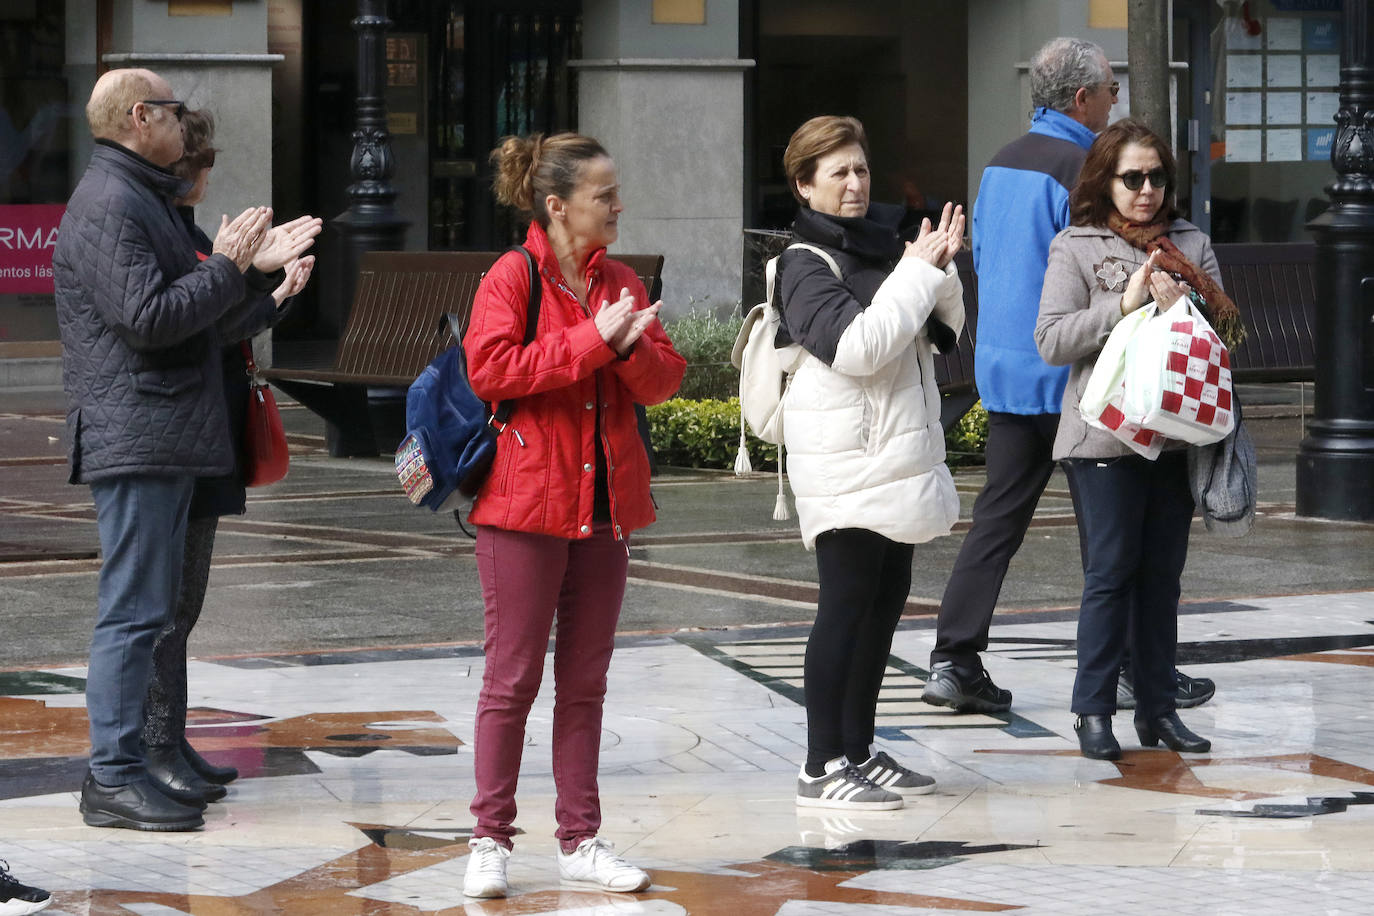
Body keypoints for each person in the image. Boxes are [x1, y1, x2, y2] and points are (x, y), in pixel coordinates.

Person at [921, 37, 1214, 714]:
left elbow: (989, 259)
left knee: (998, 518)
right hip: (1082, 373)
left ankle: (954, 659)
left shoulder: (999, 164)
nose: (1116, 104)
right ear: (1082, 98)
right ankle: (1136, 669)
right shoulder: (1088, 166)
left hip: (1004, 366)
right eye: (1112, 93)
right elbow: (1110, 259)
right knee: (1114, 531)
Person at [52, 68, 310, 831]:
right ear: (140, 117)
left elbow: (192, 320)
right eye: (173, 110)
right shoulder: (110, 202)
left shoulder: (140, 197)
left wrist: (257, 283)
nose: (183, 121)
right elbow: (148, 319)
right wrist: (231, 266)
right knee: (133, 614)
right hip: (138, 435)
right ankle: (114, 775)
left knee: (155, 609)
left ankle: (135, 762)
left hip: (162, 432)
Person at [459, 132, 685, 899]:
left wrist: (624, 347)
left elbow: (664, 382)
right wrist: (593, 340)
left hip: (603, 512)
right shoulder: (511, 276)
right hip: (522, 509)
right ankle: (489, 838)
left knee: (584, 682)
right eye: (604, 195)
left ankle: (579, 839)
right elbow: (490, 370)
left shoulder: (618, 279)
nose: (619, 206)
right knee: (511, 679)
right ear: (557, 205)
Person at [775, 116, 964, 811]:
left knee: (881, 611)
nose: (856, 184)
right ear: (804, 185)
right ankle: (821, 766)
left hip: (894, 455)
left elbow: (940, 336)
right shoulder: (803, 264)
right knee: (844, 609)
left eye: (861, 169)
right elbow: (859, 348)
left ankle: (859, 750)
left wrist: (937, 270)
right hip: (843, 460)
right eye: (839, 173)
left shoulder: (880, 247)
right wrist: (917, 271)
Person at [1034, 118, 1230, 760]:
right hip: (1103, 442)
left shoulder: (1189, 243)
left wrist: (1183, 307)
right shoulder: (1077, 246)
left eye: (1156, 178)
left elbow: (1222, 336)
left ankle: (1158, 710)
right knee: (1111, 575)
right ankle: (1093, 710)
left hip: (1176, 437)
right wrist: (1125, 303)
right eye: (1132, 178)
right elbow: (1052, 339)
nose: (1146, 190)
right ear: (1105, 181)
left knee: (1162, 580)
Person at [142, 109, 319, 807]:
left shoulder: (184, 231)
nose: (201, 176)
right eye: (197, 163)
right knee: (162, 609)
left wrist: (269, 287)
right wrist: (250, 273)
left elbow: (221, 325)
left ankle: (170, 738)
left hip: (206, 432)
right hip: (174, 434)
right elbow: (192, 326)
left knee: (182, 607)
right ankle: (152, 746)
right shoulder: (163, 232)